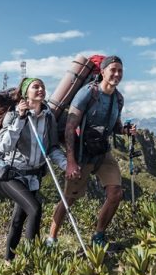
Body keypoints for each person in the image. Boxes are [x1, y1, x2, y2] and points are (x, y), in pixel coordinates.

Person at [47, 55, 137, 247]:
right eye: (113, 70)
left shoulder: (118, 99)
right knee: (69, 198)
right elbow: (71, 127)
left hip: (103, 152)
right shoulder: (87, 93)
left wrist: (125, 131)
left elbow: (115, 126)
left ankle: (99, 235)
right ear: (102, 72)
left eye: (120, 70)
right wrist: (70, 161)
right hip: (82, 153)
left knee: (116, 193)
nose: (117, 74)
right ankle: (52, 238)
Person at [0, 77, 66, 261]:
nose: (41, 89)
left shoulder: (48, 116)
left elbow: (52, 147)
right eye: (36, 87)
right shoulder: (13, 115)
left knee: (18, 219)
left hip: (34, 176)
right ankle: (34, 259)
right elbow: (4, 147)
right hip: (11, 174)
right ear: (26, 93)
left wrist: (66, 165)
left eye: (42, 86)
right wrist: (20, 118)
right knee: (35, 209)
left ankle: (8, 261)